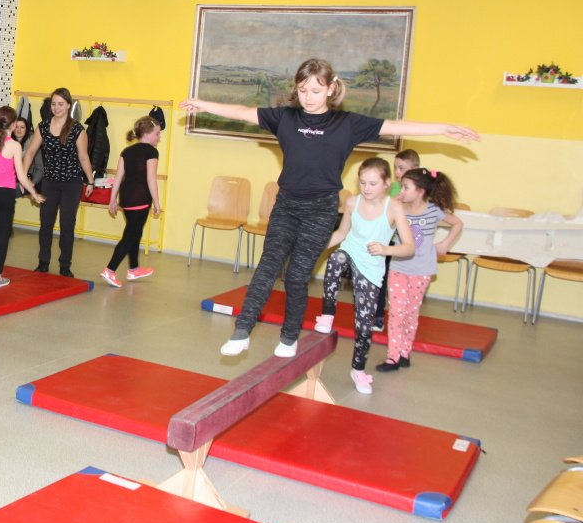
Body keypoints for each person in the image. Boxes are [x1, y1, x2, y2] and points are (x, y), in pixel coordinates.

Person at [181, 57, 480, 359]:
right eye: (302, 91)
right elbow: (243, 112)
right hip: (286, 205)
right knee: (268, 267)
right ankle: (242, 332)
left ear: (330, 89)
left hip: (321, 209)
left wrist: (443, 128)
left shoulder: (346, 124)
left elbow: (395, 126)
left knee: (297, 275)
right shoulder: (285, 118)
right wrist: (203, 104)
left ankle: (289, 337)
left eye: (315, 91)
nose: (308, 98)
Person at [314, 158, 414, 394]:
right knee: (336, 259)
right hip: (350, 254)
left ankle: (358, 370)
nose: (366, 188)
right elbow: (341, 233)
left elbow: (409, 247)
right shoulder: (352, 202)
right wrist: (314, 248)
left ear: (386, 183)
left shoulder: (394, 208)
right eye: (362, 183)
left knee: (364, 326)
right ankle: (327, 315)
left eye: (372, 183)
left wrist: (386, 249)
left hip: (371, 268)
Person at [377, 167, 463, 373]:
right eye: (401, 186)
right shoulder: (398, 208)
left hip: (422, 270)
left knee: (411, 312)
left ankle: (405, 352)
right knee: (396, 312)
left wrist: (445, 244)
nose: (401, 190)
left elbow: (457, 224)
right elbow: (381, 221)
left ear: (420, 191)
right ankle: (393, 356)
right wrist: (394, 202)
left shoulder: (434, 210)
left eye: (406, 187)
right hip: (399, 267)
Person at [22, 87, 94, 277]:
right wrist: (23, 175)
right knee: (46, 223)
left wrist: (91, 181)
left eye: (61, 104)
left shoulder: (77, 129)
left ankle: (65, 265)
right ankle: (43, 262)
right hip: (50, 182)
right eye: (53, 104)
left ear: (68, 105)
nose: (56, 108)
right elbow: (30, 153)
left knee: (67, 224)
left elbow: (84, 157)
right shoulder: (43, 126)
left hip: (72, 183)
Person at [0, 106, 44, 288]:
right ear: (13, 124)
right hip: (5, 193)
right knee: (3, 232)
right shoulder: (15, 146)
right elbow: (21, 176)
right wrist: (34, 193)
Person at [100, 116, 163, 287]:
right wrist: (157, 202)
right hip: (140, 198)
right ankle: (110, 270)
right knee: (130, 235)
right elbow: (151, 179)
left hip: (126, 198)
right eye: (157, 134)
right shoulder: (151, 152)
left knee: (135, 232)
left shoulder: (126, 151)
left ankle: (134, 268)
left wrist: (113, 199)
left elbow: (118, 177)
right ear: (148, 134)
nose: (159, 138)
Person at [371, 148, 422, 330]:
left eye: (402, 168)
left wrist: (406, 199)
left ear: (414, 169)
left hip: (406, 244)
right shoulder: (392, 188)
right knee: (381, 278)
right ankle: (378, 316)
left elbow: (420, 209)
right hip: (389, 241)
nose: (398, 172)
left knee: (404, 283)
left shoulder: (419, 191)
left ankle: (404, 318)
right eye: (396, 168)